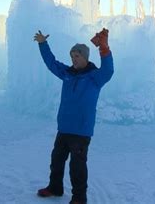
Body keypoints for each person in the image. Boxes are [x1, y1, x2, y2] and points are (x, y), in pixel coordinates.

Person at [33, 28, 114, 204]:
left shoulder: (95, 77)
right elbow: (51, 63)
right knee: (56, 161)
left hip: (81, 131)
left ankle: (79, 198)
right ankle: (55, 187)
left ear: (85, 57)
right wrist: (43, 44)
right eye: (72, 56)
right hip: (64, 128)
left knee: (77, 167)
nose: (73, 59)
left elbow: (108, 70)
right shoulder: (67, 74)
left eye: (77, 56)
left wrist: (104, 48)